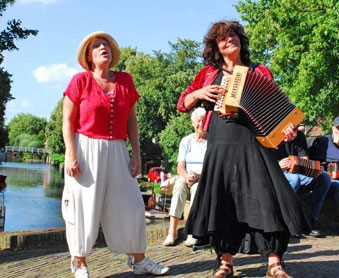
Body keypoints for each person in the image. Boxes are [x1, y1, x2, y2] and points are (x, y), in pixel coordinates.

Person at [177, 20, 314, 278]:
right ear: (216, 47)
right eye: (223, 38)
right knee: (223, 201)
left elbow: (275, 108)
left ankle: (275, 263)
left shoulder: (259, 70)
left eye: (234, 36)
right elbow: (183, 103)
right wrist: (200, 93)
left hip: (254, 141)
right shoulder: (207, 74)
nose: (230, 40)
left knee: (266, 198)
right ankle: (225, 263)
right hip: (221, 140)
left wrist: (286, 130)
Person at [62, 31, 169, 278]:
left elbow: (132, 119)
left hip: (118, 147)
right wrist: (70, 153)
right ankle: (80, 264)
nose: (104, 48)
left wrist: (137, 154)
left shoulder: (125, 81)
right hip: (85, 146)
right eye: (97, 46)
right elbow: (67, 120)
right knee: (83, 206)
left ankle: (139, 260)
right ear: (89, 56)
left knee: (131, 204)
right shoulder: (80, 81)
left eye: (106, 45)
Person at [163, 107, 208, 247]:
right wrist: (185, 175)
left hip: (203, 178)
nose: (201, 124)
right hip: (187, 176)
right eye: (198, 121)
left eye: (204, 121)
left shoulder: (211, 142)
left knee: (197, 188)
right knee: (179, 186)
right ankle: (172, 232)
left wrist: (199, 175)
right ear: (193, 123)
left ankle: (192, 232)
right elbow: (180, 167)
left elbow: (212, 166)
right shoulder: (186, 141)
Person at [274, 130, 332, 237]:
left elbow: (304, 161)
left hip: (296, 173)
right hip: (276, 173)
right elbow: (262, 160)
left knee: (324, 177)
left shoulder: (299, 136)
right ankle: (288, 223)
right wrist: (278, 164)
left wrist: (315, 169)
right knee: (294, 179)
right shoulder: (272, 135)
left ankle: (310, 221)